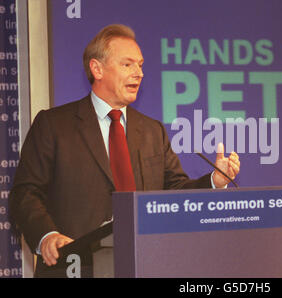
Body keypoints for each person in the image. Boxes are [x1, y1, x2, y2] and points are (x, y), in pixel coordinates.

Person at [9, 24, 240, 277]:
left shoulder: (153, 131)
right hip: (74, 267)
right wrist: (46, 236)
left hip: (144, 264)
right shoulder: (54, 125)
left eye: (140, 65)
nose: (139, 73)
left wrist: (215, 182)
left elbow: (174, 195)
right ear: (97, 69)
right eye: (127, 64)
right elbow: (25, 194)